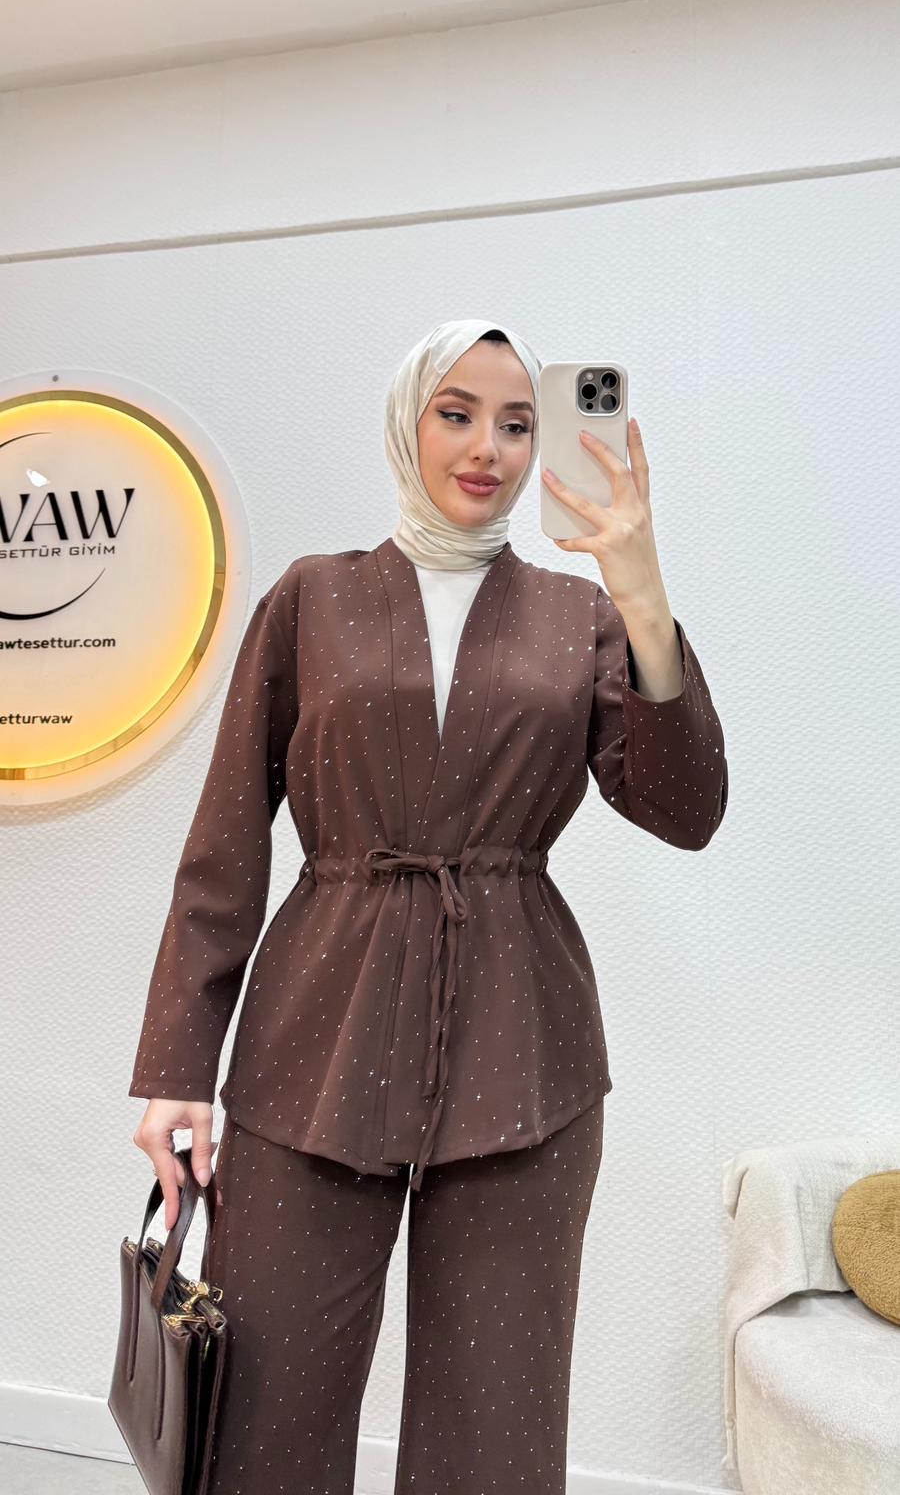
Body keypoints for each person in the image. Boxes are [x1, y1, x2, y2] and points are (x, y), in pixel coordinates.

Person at [130, 319, 728, 1494]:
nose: (487, 447)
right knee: (262, 1421)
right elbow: (223, 847)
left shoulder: (578, 615)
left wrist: (642, 587)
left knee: (495, 1435)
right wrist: (175, 1067)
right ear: (408, 421)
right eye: (457, 413)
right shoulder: (312, 598)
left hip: (526, 1050)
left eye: (518, 423)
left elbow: (686, 806)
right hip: (315, 1039)